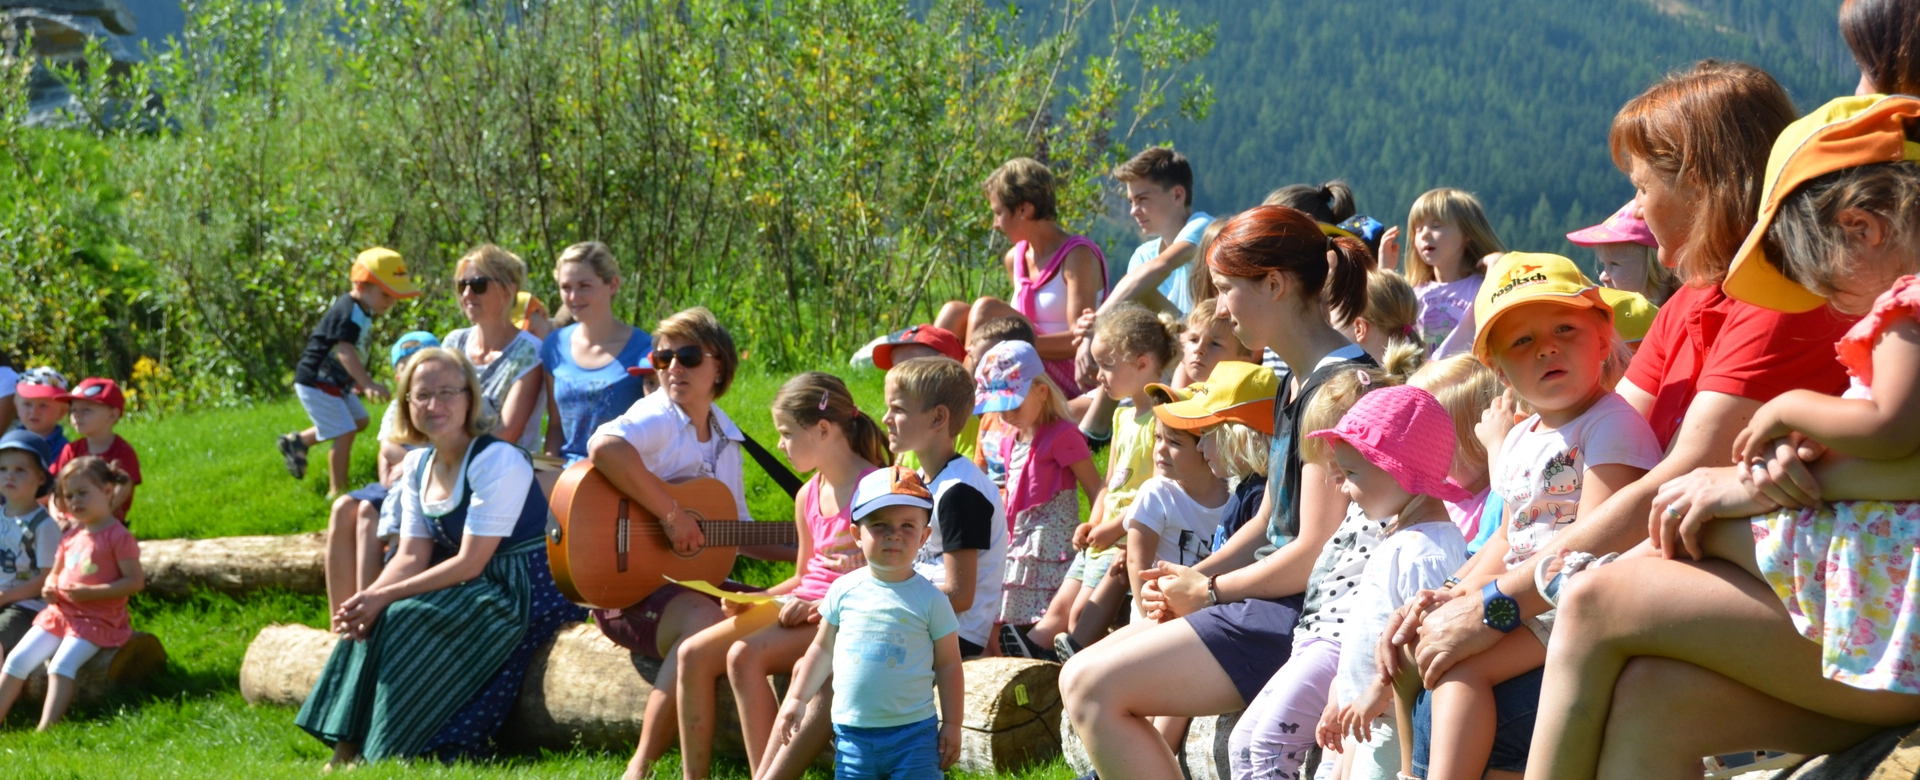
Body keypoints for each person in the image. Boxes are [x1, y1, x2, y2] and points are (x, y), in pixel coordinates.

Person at [1376, 62, 1853, 777]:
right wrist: (1457, 593)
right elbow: (1574, 454)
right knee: (1636, 703)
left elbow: (1674, 476)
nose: (1634, 211)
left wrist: (1496, 608)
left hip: (1780, 589)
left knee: (1561, 645)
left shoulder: (1780, 297)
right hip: (1694, 585)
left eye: (1641, 186)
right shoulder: (1692, 302)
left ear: (1699, 179)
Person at [1528, 91, 1920, 779]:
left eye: (1824, 278)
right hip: (1886, 617)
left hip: (1895, 623)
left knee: (1597, 593)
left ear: (1864, 228)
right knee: (1652, 697)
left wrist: (1771, 458)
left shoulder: (1904, 307)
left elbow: (1893, 431)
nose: (1828, 305)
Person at [1058, 205, 1372, 780]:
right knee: (1081, 677)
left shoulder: (1342, 388)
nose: (1221, 305)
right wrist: (1193, 577)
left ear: (1274, 284)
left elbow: (1314, 551)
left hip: (1309, 616)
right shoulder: (1298, 382)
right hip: (1272, 598)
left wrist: (1209, 589)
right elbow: (1272, 518)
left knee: (1091, 685)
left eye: (1227, 289)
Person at [1412, 252, 1662, 780]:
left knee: (1460, 670)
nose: (1547, 346)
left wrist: (1488, 603)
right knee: (1425, 645)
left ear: (1602, 337)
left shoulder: (1611, 428)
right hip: (1524, 596)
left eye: (1565, 328)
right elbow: (1509, 535)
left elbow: (1596, 543)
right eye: (1522, 341)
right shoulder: (1527, 436)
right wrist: (1457, 592)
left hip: (1572, 606)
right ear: (1498, 369)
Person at [296, 347, 581, 765]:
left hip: (521, 587)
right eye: (422, 395)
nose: (435, 404)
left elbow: (471, 561)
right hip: (476, 580)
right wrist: (367, 599)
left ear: (470, 398)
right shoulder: (417, 465)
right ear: (407, 406)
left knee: (401, 615)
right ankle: (345, 751)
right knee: (372, 616)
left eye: (447, 392)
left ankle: (387, 749)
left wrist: (383, 599)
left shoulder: (496, 459)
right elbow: (411, 555)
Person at [583, 308, 777, 780]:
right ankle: (641, 767)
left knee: (773, 609)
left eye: (688, 356)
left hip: (683, 584)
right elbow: (605, 447)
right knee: (706, 622)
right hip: (625, 588)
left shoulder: (729, 438)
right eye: (663, 355)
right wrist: (670, 515)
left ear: (720, 369)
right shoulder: (658, 416)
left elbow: (741, 532)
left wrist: (824, 546)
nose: (673, 367)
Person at [669, 373, 886, 780]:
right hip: (798, 605)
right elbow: (803, 575)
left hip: (839, 615)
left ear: (822, 430)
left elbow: (889, 573)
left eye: (786, 434)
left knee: (743, 654)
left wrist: (822, 605)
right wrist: (757, 596)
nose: (780, 445)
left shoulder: (874, 489)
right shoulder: (807, 494)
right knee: (691, 653)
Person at [1225, 351, 1421, 779]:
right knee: (1242, 744)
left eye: (1340, 459)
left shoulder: (1393, 512)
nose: (1332, 476)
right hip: (1315, 637)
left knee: (1269, 747)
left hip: (1337, 646)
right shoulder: (1361, 504)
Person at [1307, 386, 1471, 780]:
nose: (1343, 488)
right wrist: (1340, 698)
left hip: (1392, 728)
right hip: (1364, 717)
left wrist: (1374, 695)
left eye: (1351, 474)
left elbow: (1424, 647)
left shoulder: (1423, 552)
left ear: (1395, 470)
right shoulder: (1403, 539)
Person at [775, 467, 965, 780]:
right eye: (880, 525)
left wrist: (953, 724)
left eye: (907, 525)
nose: (894, 534)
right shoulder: (842, 590)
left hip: (913, 735)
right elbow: (822, 651)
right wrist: (797, 699)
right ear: (856, 534)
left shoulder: (931, 600)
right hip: (853, 736)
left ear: (924, 536)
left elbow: (948, 665)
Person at [1029, 305, 1178, 656]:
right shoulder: (1124, 416)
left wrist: (1113, 528)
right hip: (1104, 533)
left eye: (1107, 366)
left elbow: (1156, 492)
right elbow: (1110, 482)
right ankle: (1033, 660)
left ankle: (1079, 663)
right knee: (1061, 608)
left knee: (1081, 614)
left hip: (1129, 534)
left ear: (1142, 364)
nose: (1098, 376)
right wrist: (1093, 521)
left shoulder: (1162, 417)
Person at [934, 158, 1106, 415]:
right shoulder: (1016, 258)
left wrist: (1017, 342)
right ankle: (927, 398)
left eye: (998, 212)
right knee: (954, 312)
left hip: (1072, 372)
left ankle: (964, 407)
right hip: (1027, 361)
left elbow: (1079, 340)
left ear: (1024, 209)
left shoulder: (1077, 256)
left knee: (986, 309)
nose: (995, 223)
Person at [973, 341, 1104, 656]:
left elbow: (1096, 488)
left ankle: (1041, 673)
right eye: (1000, 407)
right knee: (1000, 615)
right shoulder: (1010, 439)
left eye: (1013, 405)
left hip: (1049, 544)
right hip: (1017, 539)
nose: (1006, 415)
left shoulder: (1062, 435)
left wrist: (1095, 526)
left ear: (1041, 392)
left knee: (1039, 615)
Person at [0, 456, 141, 731]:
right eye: (69, 495)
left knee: (60, 666)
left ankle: (46, 730)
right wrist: (49, 586)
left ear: (108, 491)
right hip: (59, 614)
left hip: (97, 619)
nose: (75, 501)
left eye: (83, 493)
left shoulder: (118, 537)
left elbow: (134, 582)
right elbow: (54, 571)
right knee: (17, 659)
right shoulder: (71, 534)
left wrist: (91, 592)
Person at [278, 247, 420, 496]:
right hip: (316, 381)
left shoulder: (363, 310)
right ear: (362, 286)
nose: (391, 301)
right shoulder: (349, 311)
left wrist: (352, 378)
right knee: (344, 430)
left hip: (335, 382)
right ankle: (337, 491)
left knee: (359, 420)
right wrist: (366, 383)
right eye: (386, 294)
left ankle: (298, 442)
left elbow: (350, 351)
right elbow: (344, 351)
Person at [323, 331, 440, 614]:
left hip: (424, 481)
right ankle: (337, 619)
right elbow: (387, 449)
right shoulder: (397, 408)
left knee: (367, 513)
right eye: (406, 369)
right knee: (342, 507)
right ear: (399, 378)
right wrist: (401, 464)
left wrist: (410, 463)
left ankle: (365, 609)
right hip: (394, 481)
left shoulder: (439, 405)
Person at [539, 241, 653, 466]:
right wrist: (548, 468)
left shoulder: (644, 348)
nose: (573, 296)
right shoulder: (554, 346)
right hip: (567, 474)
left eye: (584, 286)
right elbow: (555, 424)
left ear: (612, 285)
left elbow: (657, 425)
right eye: (566, 287)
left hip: (621, 473)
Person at [443, 244, 547, 453]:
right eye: (461, 285)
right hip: (448, 459)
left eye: (478, 285)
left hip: (505, 467)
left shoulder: (529, 354)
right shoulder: (454, 343)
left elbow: (507, 433)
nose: (467, 294)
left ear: (509, 289)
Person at [1395, 188, 1506, 359]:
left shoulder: (1480, 287)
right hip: (1420, 382)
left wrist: (1497, 269)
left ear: (1467, 233)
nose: (1424, 234)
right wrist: (1384, 270)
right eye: (1417, 229)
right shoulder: (1414, 292)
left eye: (1436, 225)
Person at [1408, 355, 1502, 552]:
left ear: (1473, 437)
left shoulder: (1493, 503)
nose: (1417, 447)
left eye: (1428, 437)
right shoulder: (1433, 491)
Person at [871, 325, 975, 469]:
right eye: (895, 368)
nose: (898, 377)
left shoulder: (963, 420)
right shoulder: (913, 425)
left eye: (909, 367)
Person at [0, 431, 58, 656]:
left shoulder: (43, 526)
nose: (9, 476)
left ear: (41, 478)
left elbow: (47, 577)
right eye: (2, 469)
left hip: (25, 606)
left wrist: (6, 597)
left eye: (20, 470)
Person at [53, 379, 139, 521]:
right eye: (73, 410)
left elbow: (123, 488)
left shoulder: (122, 451)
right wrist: (57, 514)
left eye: (86, 410)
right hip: (72, 521)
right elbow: (57, 487)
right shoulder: (71, 450)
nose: (76, 415)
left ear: (112, 415)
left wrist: (93, 518)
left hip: (107, 524)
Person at [1569, 200, 1676, 305]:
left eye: (1614, 264)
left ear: (1660, 268)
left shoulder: (1679, 319)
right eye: (1603, 265)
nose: (1602, 277)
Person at [1341, 269, 1422, 363]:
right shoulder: (1422, 375)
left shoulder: (1346, 376)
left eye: (1341, 315)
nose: (1332, 325)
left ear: (1359, 328)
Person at [1174, 298, 1256, 388]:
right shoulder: (1188, 396)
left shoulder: (1240, 400)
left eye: (1215, 344)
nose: (1199, 349)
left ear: (1241, 362)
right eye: (1194, 340)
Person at [11, 368, 68, 454]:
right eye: (27, 404)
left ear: (62, 412)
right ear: (16, 407)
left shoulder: (64, 450)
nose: (34, 411)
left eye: (43, 405)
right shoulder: (9, 442)